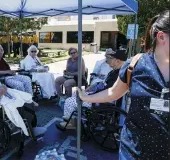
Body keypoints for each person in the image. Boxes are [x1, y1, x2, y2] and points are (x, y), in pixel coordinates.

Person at [77, 10, 169, 160]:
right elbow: (113, 92)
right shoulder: (136, 64)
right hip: (133, 151)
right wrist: (85, 97)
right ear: (161, 37)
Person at [57, 49, 127, 129]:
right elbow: (105, 85)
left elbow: (108, 91)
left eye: (112, 59)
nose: (110, 61)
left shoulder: (117, 74)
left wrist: (90, 94)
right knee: (75, 94)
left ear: (117, 61)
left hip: (101, 101)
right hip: (102, 97)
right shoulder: (116, 71)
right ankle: (74, 118)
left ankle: (72, 123)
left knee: (69, 101)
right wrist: (92, 88)